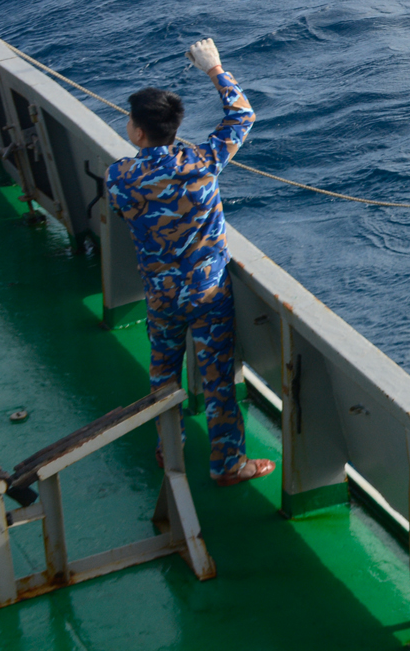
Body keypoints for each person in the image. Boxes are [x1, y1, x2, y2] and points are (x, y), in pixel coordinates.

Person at [105, 38, 274, 486]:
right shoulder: (202, 161)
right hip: (208, 292)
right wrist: (214, 69)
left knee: (163, 375)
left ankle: (169, 449)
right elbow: (242, 116)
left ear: (139, 132)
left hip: (161, 296)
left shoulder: (122, 176)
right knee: (218, 381)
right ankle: (228, 464)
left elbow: (123, 209)